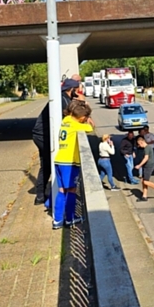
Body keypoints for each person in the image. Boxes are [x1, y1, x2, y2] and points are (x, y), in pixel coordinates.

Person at [31, 78, 80, 206]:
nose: (79, 91)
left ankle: (40, 196)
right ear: (72, 89)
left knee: (46, 165)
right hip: (43, 136)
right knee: (54, 163)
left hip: (40, 135)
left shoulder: (63, 98)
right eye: (78, 88)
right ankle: (52, 198)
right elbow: (71, 118)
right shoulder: (63, 100)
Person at [52, 101, 94, 229]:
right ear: (82, 118)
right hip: (69, 162)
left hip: (59, 160)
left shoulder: (65, 121)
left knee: (61, 191)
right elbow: (90, 128)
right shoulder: (76, 125)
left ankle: (57, 220)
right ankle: (70, 218)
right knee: (71, 190)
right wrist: (89, 122)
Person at [135, 135, 154, 201]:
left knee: (145, 181)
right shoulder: (146, 148)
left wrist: (139, 165)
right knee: (143, 181)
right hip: (146, 166)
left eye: (139, 144)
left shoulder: (147, 148)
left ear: (141, 142)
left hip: (149, 166)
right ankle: (144, 196)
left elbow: (146, 158)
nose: (139, 146)